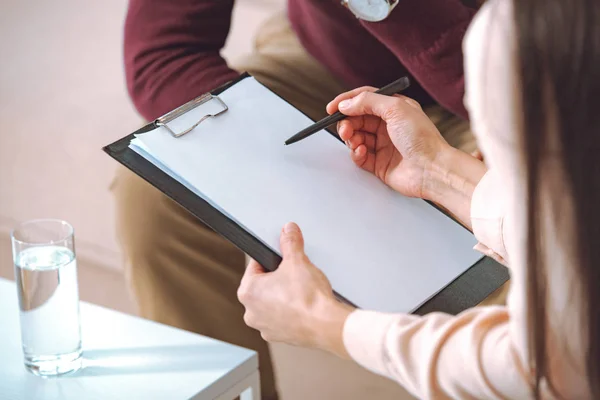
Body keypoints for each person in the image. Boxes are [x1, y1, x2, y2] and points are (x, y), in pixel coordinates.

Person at [115, 1, 501, 399]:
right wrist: (269, 166)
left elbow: (542, 79)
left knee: (529, 258)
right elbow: (163, 53)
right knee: (160, 196)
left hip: (524, 79)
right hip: (335, 58)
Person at [238, 0, 600, 398]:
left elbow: (546, 369)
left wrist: (327, 323)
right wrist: (441, 173)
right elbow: (571, 245)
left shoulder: (530, 45)